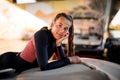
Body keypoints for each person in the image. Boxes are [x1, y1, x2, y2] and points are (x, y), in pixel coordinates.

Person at [0, 12, 81, 73]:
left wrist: (59, 43)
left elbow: (62, 60)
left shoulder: (55, 39)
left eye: (65, 28)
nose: (61, 31)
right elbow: (44, 67)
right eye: (59, 25)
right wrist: (70, 59)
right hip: (8, 62)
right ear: (53, 23)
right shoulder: (42, 35)